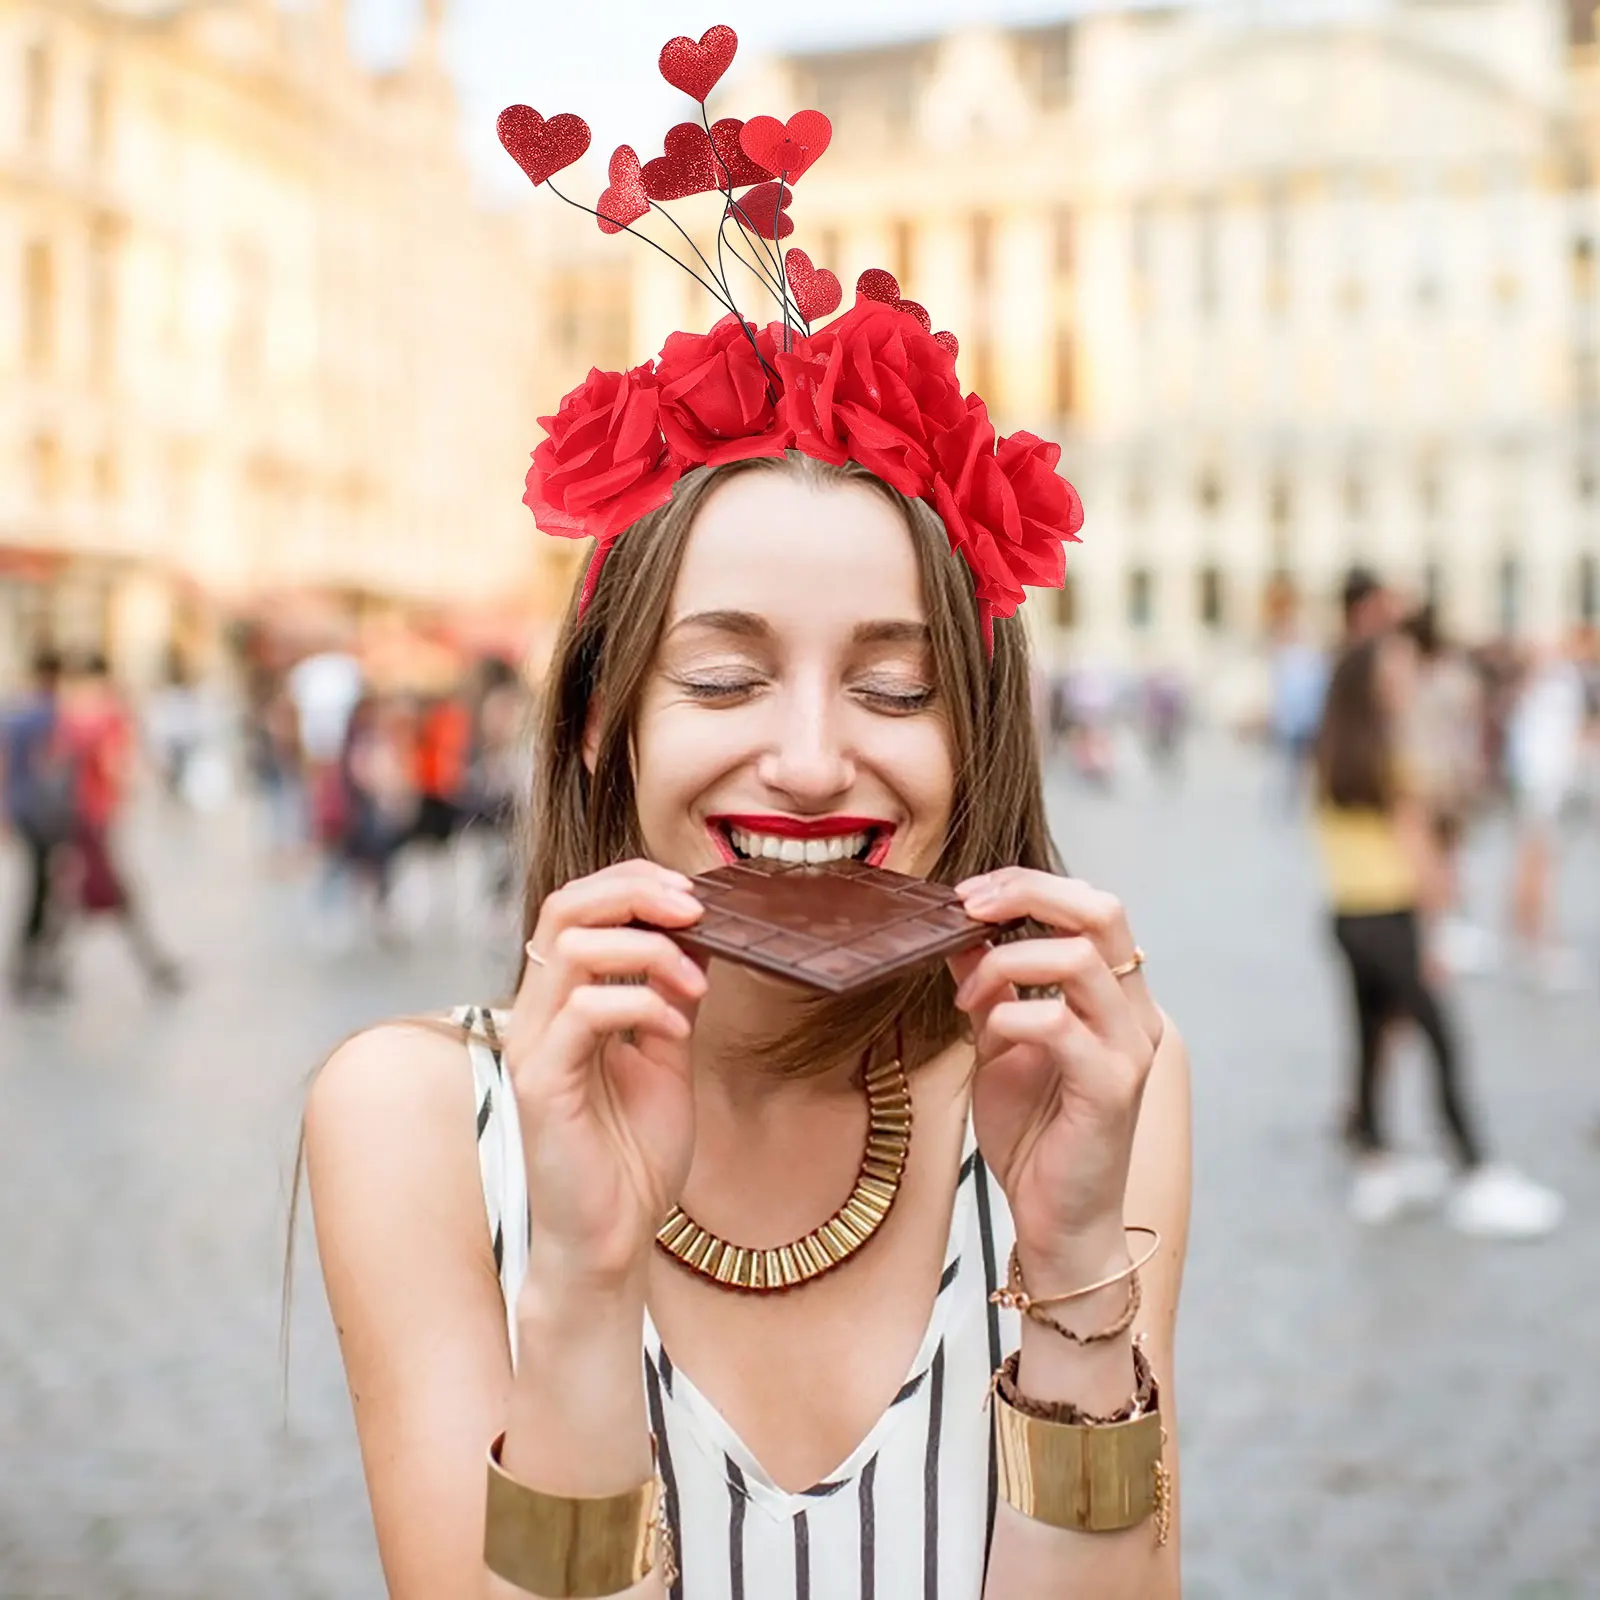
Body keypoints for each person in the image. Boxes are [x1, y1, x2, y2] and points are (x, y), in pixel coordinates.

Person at [302, 42, 1190, 1597]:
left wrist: (1066, 1276)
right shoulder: (413, 1123)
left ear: (976, 735)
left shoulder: (1093, 1086)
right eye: (723, 679)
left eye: (897, 689)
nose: (811, 759)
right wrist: (583, 1287)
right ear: (604, 717)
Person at [1312, 634, 1561, 1237]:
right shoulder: (1392, 756)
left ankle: (1375, 1159)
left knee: (1370, 1036)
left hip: (1347, 914)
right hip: (1394, 913)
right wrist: (1438, 927)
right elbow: (1418, 851)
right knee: (1441, 1037)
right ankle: (1475, 1167)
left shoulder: (1330, 754)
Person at [57, 654, 184, 994]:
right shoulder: (109, 715)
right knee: (106, 892)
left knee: (87, 893)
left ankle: (154, 965)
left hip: (79, 814)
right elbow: (115, 763)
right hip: (98, 814)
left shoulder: (72, 715)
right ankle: (155, 966)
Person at [1399, 605, 1494, 975]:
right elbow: (1472, 721)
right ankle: (1438, 937)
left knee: (1422, 862)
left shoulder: (1407, 675)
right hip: (1445, 777)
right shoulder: (1452, 676)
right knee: (1444, 859)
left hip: (1416, 776)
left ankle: (1427, 938)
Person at [1504, 635, 1589, 991]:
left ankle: (1530, 937)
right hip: (1543, 785)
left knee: (1536, 863)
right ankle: (1537, 942)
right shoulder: (1557, 684)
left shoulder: (1547, 685)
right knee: (1539, 865)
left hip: (1540, 784)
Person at [1, 649, 74, 1000]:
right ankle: (35, 962)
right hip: (45, 813)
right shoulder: (51, 714)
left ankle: (30, 961)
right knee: (46, 889)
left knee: (39, 887)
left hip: (24, 810)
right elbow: (56, 765)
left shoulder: (17, 713)